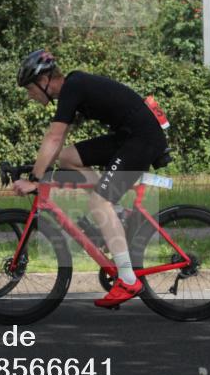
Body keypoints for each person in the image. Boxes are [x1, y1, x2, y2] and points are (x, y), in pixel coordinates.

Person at [11, 49, 169, 307]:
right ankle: (116, 212)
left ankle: (128, 280)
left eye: (30, 88)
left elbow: (53, 136)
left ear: (45, 80)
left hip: (141, 139)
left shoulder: (73, 86)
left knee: (98, 203)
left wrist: (36, 179)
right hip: (129, 136)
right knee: (68, 158)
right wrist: (39, 171)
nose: (29, 94)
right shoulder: (73, 88)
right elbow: (58, 145)